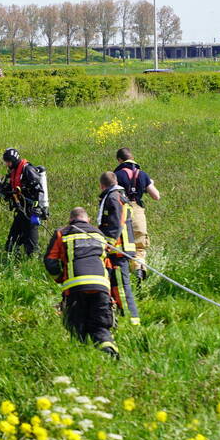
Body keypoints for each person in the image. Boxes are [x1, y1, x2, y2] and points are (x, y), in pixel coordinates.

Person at [43, 207, 119, 359]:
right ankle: (108, 349)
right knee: (100, 326)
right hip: (101, 286)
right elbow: (110, 265)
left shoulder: (62, 233)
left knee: (76, 327)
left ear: (70, 220)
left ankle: (80, 357)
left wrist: (60, 278)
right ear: (88, 220)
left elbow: (50, 261)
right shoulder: (100, 234)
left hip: (75, 287)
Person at [96, 171, 139, 326]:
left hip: (118, 250)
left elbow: (116, 223)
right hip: (118, 249)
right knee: (115, 286)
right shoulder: (119, 196)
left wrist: (106, 244)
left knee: (121, 288)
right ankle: (121, 318)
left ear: (102, 185)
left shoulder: (113, 198)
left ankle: (132, 321)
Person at [114, 147, 160, 280]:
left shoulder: (116, 175)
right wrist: (148, 183)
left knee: (123, 246)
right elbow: (156, 196)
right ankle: (139, 270)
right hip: (138, 212)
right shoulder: (143, 174)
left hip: (122, 213)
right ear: (132, 158)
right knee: (140, 247)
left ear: (119, 160)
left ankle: (125, 277)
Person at [0, 148, 46, 256]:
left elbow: (39, 191)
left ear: (13, 160)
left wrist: (36, 209)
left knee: (31, 247)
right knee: (11, 242)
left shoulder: (27, 169)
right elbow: (11, 189)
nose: (7, 164)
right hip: (21, 211)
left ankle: (33, 264)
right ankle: (14, 262)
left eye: (8, 162)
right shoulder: (13, 171)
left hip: (31, 212)